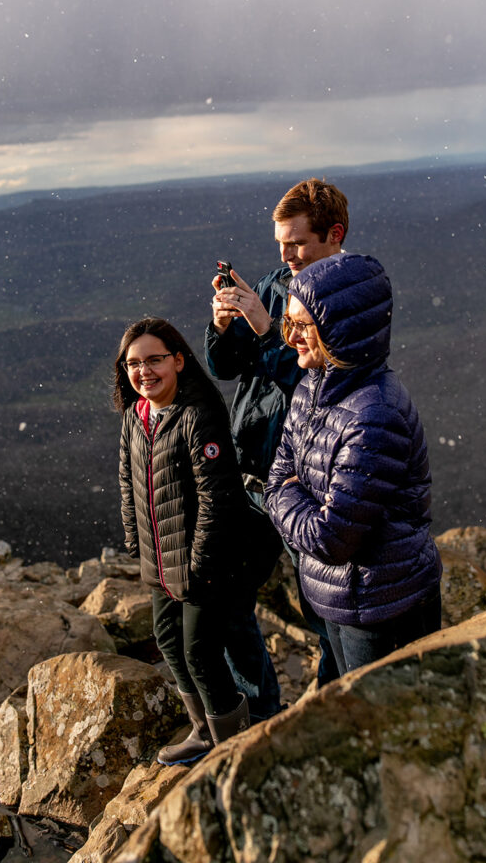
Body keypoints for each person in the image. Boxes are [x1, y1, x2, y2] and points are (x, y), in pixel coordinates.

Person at [265, 254, 443, 674]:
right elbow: (277, 475)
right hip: (342, 598)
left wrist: (286, 494)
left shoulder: (374, 413)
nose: (291, 339)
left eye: (302, 326)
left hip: (384, 606)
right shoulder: (312, 387)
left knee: (388, 727)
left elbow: (332, 539)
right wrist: (287, 491)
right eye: (287, 324)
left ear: (342, 329)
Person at [205, 178, 349, 698]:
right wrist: (223, 325)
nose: (287, 255)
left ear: (334, 235)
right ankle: (260, 712)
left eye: (297, 243)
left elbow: (323, 382)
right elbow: (227, 368)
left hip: (309, 481)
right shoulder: (271, 284)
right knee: (223, 600)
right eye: (280, 244)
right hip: (251, 472)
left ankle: (330, 711)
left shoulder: (351, 298)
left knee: (327, 611)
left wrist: (268, 330)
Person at [115, 317, 252, 766]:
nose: (144, 372)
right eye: (134, 363)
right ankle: (202, 732)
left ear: (178, 359)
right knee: (169, 642)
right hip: (161, 561)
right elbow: (126, 478)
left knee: (200, 653)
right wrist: (137, 543)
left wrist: (198, 563)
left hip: (202, 564)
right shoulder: (139, 415)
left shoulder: (198, 412)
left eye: (154, 360)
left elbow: (218, 495)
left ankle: (231, 746)